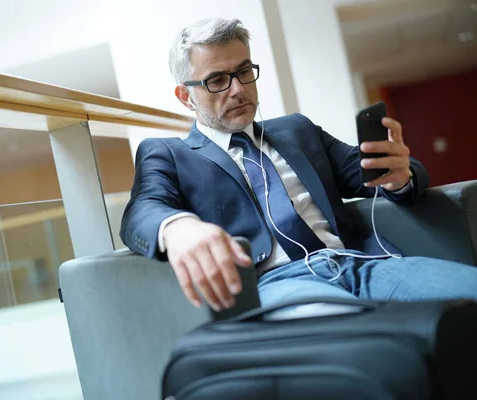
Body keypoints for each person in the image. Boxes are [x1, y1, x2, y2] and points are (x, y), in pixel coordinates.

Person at [119, 18, 477, 312]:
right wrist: (178, 227)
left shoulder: (297, 130)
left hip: (364, 263)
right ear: (186, 97)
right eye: (216, 80)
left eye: (244, 72)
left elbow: (377, 168)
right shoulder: (168, 153)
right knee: (352, 337)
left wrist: (401, 176)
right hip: (278, 284)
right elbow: (143, 209)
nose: (238, 89)